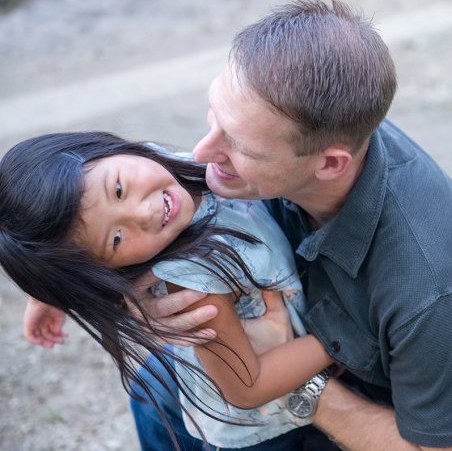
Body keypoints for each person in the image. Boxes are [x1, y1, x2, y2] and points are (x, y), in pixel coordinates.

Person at [25, 0, 452, 450]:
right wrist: (63, 276)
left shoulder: (432, 283)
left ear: (330, 164)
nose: (202, 154)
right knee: (161, 387)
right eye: (216, 116)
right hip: (357, 371)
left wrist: (300, 384)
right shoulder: (304, 131)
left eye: (239, 145)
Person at [0, 131, 335, 450]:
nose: (145, 213)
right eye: (116, 239)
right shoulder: (193, 280)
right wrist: (342, 338)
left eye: (118, 189)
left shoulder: (163, 165)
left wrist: (44, 297)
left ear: (109, 150)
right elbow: (247, 387)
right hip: (261, 432)